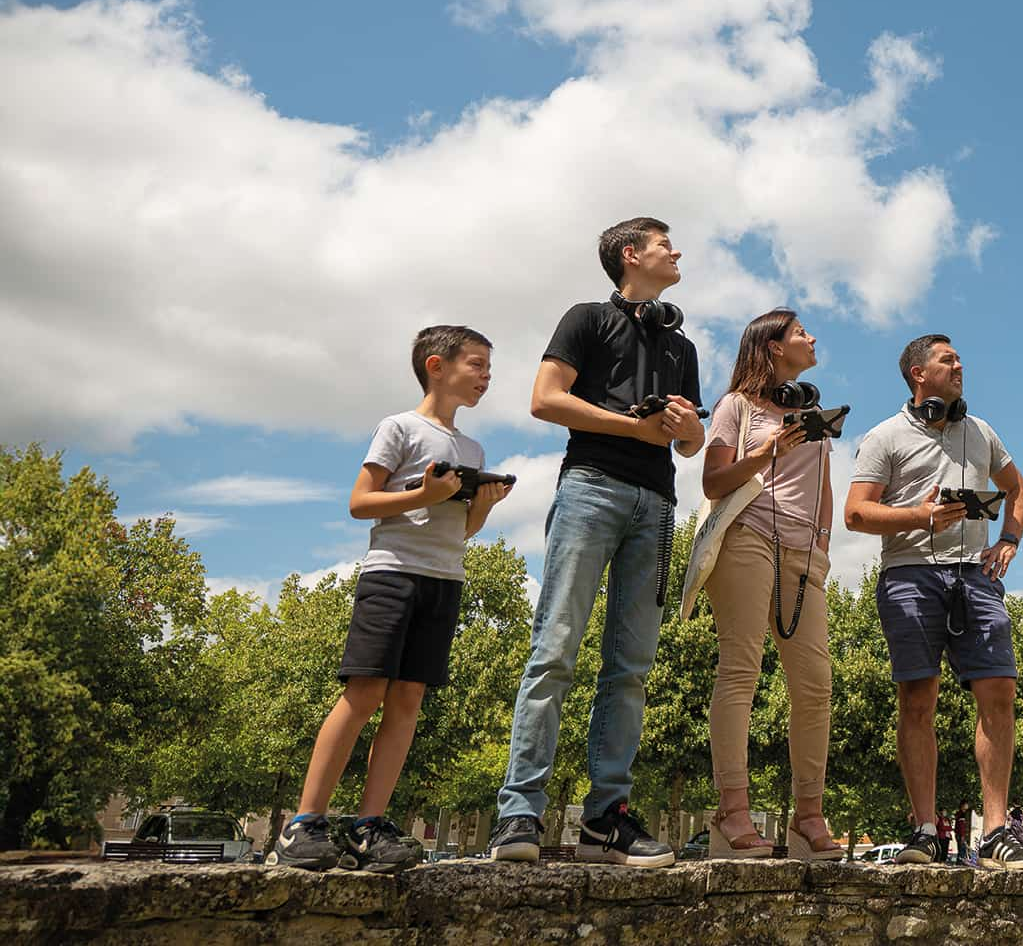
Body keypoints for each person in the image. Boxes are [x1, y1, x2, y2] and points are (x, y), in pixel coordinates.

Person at [489, 218, 704, 866]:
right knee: (555, 648)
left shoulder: (682, 346)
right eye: (666, 243)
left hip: (658, 502)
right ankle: (518, 814)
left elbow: (689, 445)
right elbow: (544, 399)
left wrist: (688, 427)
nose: (677, 251)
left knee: (631, 668)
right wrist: (628, 428)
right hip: (590, 488)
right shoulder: (584, 318)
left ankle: (605, 818)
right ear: (631, 255)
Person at [268, 326, 510, 871]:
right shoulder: (399, 427)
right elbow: (359, 502)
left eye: (489, 369)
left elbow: (460, 530)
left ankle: (367, 825)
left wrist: (484, 504)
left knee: (407, 701)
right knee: (365, 691)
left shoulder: (471, 447)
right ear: (436, 365)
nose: (486, 377)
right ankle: (303, 823)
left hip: (444, 580)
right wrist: (424, 492)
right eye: (477, 365)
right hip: (392, 575)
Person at [844, 333, 1023, 870]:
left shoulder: (980, 432)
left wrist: (1009, 539)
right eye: (947, 359)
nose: (960, 365)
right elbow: (856, 514)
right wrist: (919, 516)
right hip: (909, 573)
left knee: (999, 689)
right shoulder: (884, 437)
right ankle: (925, 830)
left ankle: (997, 832)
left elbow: (1019, 489)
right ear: (917, 375)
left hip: (974, 576)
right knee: (917, 698)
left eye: (959, 358)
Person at [698, 308, 841, 861]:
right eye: (800, 332)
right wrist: (768, 449)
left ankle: (808, 817)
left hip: (804, 551)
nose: (810, 338)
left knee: (815, 681)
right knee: (742, 666)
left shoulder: (810, 412)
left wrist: (822, 544)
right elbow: (713, 480)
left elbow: (823, 486)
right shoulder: (736, 407)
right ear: (774, 348)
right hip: (748, 535)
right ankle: (732, 812)